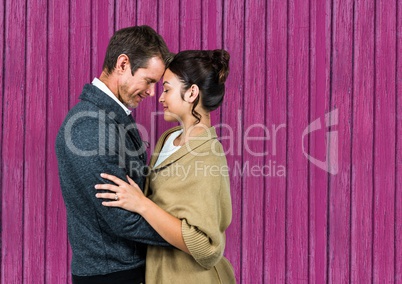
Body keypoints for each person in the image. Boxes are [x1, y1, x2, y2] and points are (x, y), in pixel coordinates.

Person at [95, 49, 236, 283]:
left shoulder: (207, 156)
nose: (160, 97)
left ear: (192, 93)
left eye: (167, 89)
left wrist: (141, 204)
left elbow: (206, 247)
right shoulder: (169, 138)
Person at [55, 25, 172, 284]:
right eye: (149, 80)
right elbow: (122, 220)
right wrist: (190, 238)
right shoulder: (90, 127)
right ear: (122, 63)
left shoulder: (108, 118)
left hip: (122, 270)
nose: (152, 93)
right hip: (113, 274)